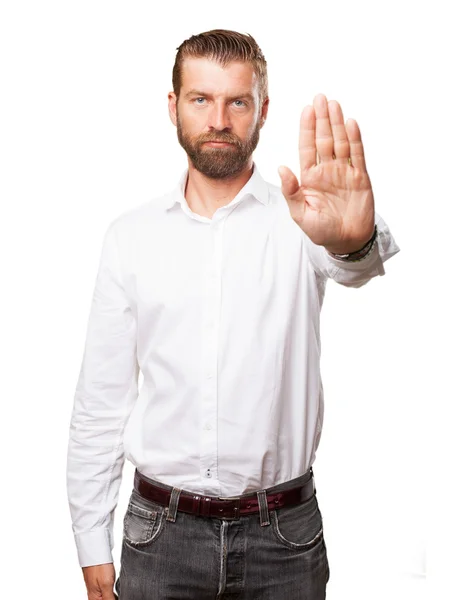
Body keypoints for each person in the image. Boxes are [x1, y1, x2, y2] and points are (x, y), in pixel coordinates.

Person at [66, 28, 400, 600]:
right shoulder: (130, 238)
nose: (218, 118)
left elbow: (356, 265)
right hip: (160, 539)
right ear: (174, 106)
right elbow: (102, 402)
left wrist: (355, 237)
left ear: (261, 110)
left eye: (236, 101)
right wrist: (90, 540)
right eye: (201, 99)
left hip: (285, 540)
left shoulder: (304, 220)